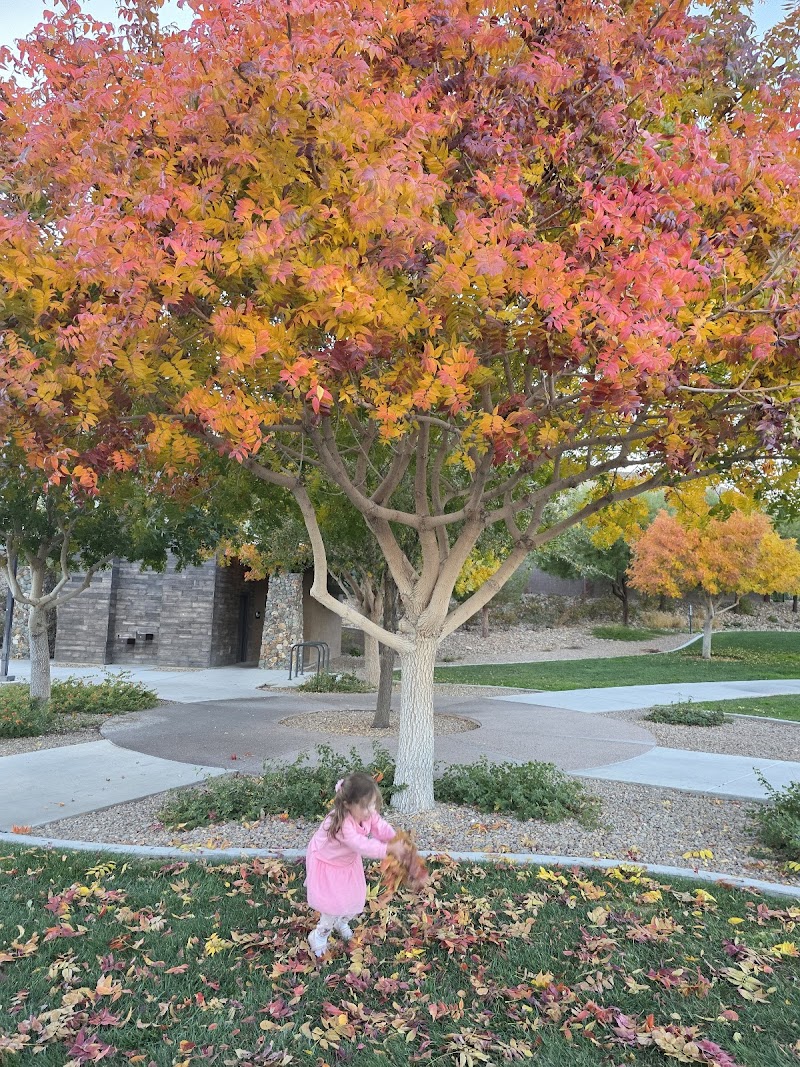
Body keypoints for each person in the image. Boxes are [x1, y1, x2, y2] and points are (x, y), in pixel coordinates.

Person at [304, 771, 407, 958]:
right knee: (332, 905)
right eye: (365, 806)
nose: (370, 810)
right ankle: (319, 934)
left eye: (372, 804)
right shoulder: (343, 824)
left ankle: (341, 921)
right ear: (347, 805)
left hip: (347, 863)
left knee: (353, 898)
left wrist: (394, 839)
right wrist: (389, 850)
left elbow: (380, 826)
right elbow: (362, 845)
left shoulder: (367, 812)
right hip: (328, 863)